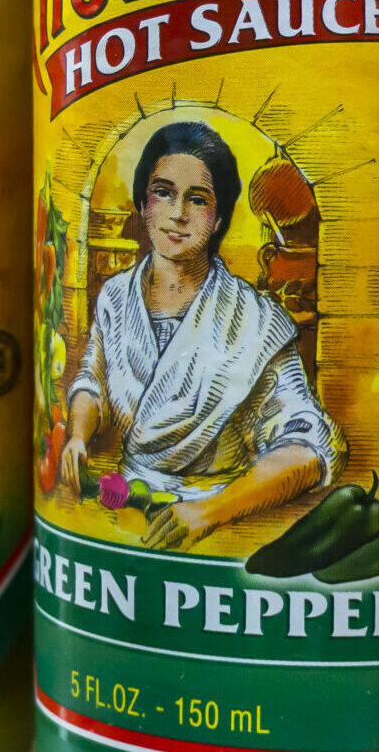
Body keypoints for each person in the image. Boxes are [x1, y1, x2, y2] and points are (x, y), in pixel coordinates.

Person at [57, 120, 340, 549]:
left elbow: (308, 444)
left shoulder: (256, 321)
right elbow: (92, 380)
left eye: (198, 199)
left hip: (220, 527)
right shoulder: (116, 297)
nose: (178, 214)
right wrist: (78, 435)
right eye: (164, 193)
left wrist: (209, 512)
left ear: (219, 217)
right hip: (121, 510)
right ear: (143, 203)